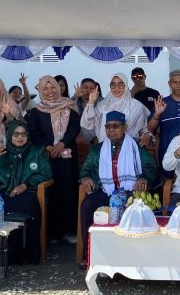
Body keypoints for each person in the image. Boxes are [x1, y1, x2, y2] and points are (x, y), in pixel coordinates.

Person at [78, 111, 158, 259]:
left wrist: (144, 178)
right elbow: (87, 168)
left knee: (137, 208)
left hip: (130, 191)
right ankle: (90, 254)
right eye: (108, 127)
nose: (111, 130)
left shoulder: (136, 146)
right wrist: (86, 177)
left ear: (125, 127)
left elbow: (150, 167)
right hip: (105, 191)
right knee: (87, 205)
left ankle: (133, 255)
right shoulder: (97, 149)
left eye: (116, 126)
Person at [0, 120, 52, 265]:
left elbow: (47, 173)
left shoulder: (36, 151)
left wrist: (25, 185)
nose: (20, 137)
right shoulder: (0, 151)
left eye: (23, 134)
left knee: (25, 204)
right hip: (0, 190)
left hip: (26, 191)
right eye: (16, 134)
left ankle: (21, 256)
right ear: (9, 135)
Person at [26, 75, 81, 244]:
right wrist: (48, 147)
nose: (50, 91)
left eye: (52, 88)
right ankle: (52, 233)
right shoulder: (36, 110)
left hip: (67, 156)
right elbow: (33, 133)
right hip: (47, 158)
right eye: (45, 89)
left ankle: (69, 230)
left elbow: (75, 127)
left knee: (68, 191)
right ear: (41, 90)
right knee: (50, 193)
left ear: (58, 88)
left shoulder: (69, 105)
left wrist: (62, 143)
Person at [146, 70, 180, 176]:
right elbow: (150, 129)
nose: (178, 85)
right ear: (169, 84)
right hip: (166, 151)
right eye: (174, 82)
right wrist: (157, 114)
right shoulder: (162, 103)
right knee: (167, 182)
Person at [81, 73, 150, 144]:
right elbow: (87, 124)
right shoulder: (102, 105)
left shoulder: (136, 106)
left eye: (120, 84)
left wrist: (147, 134)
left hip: (128, 147)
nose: (116, 87)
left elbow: (143, 129)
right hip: (105, 146)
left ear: (126, 85)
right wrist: (91, 102)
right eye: (113, 84)